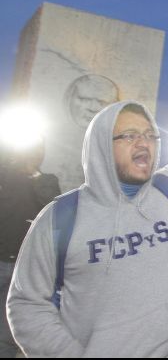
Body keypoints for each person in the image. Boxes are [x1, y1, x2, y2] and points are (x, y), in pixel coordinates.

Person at [6, 53, 168, 357]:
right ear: (103, 145)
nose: (143, 143)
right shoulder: (60, 217)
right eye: (129, 136)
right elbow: (26, 303)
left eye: (149, 135)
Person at [0, 141, 61, 358]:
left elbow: (54, 212)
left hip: (23, 269)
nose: (36, 152)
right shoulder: (4, 176)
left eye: (40, 148)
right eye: (31, 146)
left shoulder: (47, 181)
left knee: (7, 334)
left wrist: (34, 174)